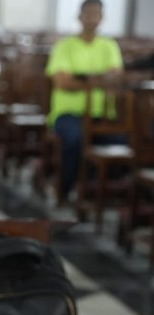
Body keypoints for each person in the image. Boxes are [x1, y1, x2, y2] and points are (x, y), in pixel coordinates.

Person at [45, 0, 123, 198]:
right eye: (88, 13)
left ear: (102, 18)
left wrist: (81, 78)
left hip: (102, 115)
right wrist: (98, 79)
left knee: (120, 142)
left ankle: (97, 191)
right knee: (74, 139)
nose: (92, 18)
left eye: (96, 14)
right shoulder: (64, 46)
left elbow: (116, 77)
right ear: (79, 17)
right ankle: (66, 189)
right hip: (68, 114)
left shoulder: (109, 46)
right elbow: (62, 82)